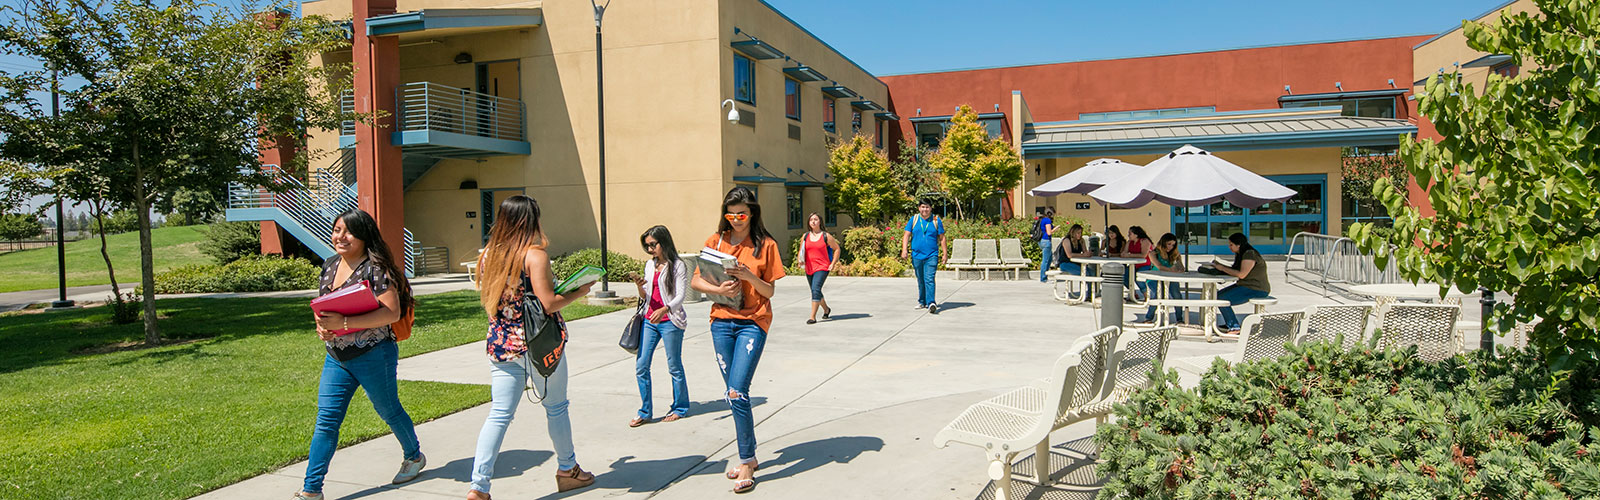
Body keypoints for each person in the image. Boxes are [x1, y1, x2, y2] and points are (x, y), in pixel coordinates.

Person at [467, 195, 596, 499]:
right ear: (530, 220)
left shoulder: (487, 256)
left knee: (499, 414)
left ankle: (478, 486)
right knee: (557, 408)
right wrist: (580, 291)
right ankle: (568, 470)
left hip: (501, 345)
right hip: (539, 346)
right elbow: (548, 303)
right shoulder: (534, 256)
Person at [295, 209, 424, 500]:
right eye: (337, 230)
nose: (341, 237)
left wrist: (343, 324)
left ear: (364, 236)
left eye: (348, 231)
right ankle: (311, 490)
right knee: (326, 420)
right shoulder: (329, 265)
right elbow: (324, 308)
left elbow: (391, 312)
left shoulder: (376, 268)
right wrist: (323, 328)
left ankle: (414, 456)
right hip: (336, 357)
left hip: (374, 354)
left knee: (388, 411)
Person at [689, 186, 786, 494]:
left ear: (752, 213)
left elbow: (769, 291)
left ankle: (745, 460)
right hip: (721, 322)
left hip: (753, 323)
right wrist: (720, 291)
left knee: (736, 390)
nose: (736, 220)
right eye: (730, 215)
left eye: (741, 214)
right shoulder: (714, 242)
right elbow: (695, 279)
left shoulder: (765, 245)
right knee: (733, 394)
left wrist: (748, 277)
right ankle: (752, 455)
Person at [630, 225, 689, 427]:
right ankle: (645, 411)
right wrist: (640, 286)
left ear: (664, 242)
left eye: (653, 245)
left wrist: (665, 309)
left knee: (674, 365)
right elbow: (645, 295)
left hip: (670, 321)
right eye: (646, 246)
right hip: (649, 320)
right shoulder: (649, 265)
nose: (650, 249)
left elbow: (681, 295)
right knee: (641, 364)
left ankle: (680, 407)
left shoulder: (677, 265)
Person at [1212, 232, 1271, 335]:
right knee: (1217, 296)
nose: (1229, 247)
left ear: (1238, 245)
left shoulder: (1249, 254)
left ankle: (1234, 327)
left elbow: (1242, 274)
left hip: (1256, 288)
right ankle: (1230, 323)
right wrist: (1219, 267)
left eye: (1231, 244)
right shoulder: (1242, 254)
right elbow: (1236, 271)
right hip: (1246, 286)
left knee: (1221, 300)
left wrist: (1222, 268)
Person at [900, 199, 946, 313]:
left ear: (930, 208)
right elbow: (906, 235)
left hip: (932, 255)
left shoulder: (936, 220)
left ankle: (931, 302)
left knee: (929, 278)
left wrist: (945, 254)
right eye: (922, 207)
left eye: (927, 207)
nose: (925, 209)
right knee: (921, 279)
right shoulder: (914, 219)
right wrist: (904, 250)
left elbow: (942, 237)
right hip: (916, 255)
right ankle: (922, 301)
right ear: (919, 208)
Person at [799, 212, 841, 324]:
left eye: (816, 219)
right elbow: (801, 250)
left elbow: (837, 249)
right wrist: (800, 261)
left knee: (815, 290)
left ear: (820, 222)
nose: (813, 221)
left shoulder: (826, 236)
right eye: (811, 219)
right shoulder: (805, 236)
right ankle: (826, 309)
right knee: (815, 291)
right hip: (809, 267)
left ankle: (812, 317)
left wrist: (833, 263)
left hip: (822, 267)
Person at [1136, 233, 1185, 324]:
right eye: (1169, 244)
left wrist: (1178, 267)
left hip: (1170, 278)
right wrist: (1172, 270)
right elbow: (1159, 266)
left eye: (1173, 245)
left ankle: (1179, 319)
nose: (1170, 247)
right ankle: (1148, 317)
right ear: (1163, 243)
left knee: (1176, 295)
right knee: (1158, 294)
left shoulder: (1175, 254)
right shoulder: (1153, 253)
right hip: (1154, 277)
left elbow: (1181, 267)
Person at [1125, 226, 1154, 299]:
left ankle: (1146, 295)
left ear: (1136, 234)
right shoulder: (1129, 242)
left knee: (1138, 278)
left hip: (1145, 264)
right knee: (1124, 275)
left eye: (1130, 233)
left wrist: (1129, 255)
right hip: (1134, 265)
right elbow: (1124, 253)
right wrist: (1127, 255)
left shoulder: (1145, 241)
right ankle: (1133, 293)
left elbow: (1143, 255)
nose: (1128, 235)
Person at [1036, 208, 1056, 282]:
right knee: (1046, 260)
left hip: (1041, 241)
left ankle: (1045, 276)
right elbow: (1049, 232)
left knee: (1049, 259)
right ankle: (1043, 278)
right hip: (1046, 241)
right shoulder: (1047, 220)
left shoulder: (1042, 219)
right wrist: (1055, 228)